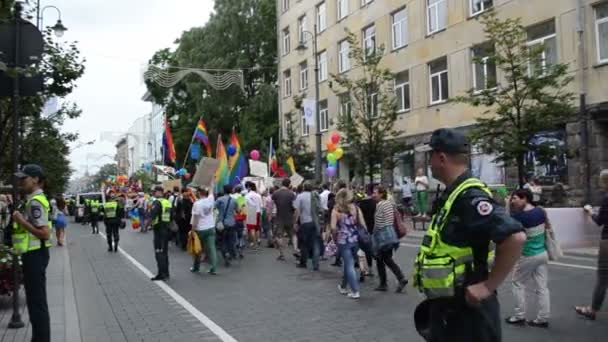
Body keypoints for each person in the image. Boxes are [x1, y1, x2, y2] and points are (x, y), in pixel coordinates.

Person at [412, 128, 526, 342]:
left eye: (431, 156)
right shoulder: (453, 193)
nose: (429, 163)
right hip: (451, 313)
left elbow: (515, 237)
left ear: (442, 157)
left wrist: (487, 286)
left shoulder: (469, 196)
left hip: (468, 317)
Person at [12, 164, 52, 342]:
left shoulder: (36, 201)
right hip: (34, 255)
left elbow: (44, 233)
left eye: (24, 178)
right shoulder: (33, 199)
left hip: (36, 256)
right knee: (35, 301)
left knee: (37, 303)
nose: (21, 181)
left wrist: (21, 221)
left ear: (35, 179)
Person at [506, 188, 551, 327]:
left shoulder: (519, 217)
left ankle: (519, 316)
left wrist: (507, 206)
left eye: (515, 198)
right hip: (543, 253)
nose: (513, 201)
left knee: (517, 283)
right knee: (542, 287)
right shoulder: (541, 211)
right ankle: (542, 318)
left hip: (528, 255)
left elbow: (506, 227)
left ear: (524, 198)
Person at [576, 169, 608, 320]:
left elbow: (599, 221)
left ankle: (592, 310)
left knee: (603, 277)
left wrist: (589, 211)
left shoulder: (607, 198)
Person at [372, 185, 408, 293]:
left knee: (381, 258)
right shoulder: (389, 203)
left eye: (375, 192)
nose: (374, 195)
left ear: (381, 194)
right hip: (390, 233)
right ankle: (399, 278)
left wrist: (374, 233)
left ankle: (387, 282)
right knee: (386, 258)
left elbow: (378, 222)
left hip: (383, 234)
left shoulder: (380, 205)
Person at [331, 188, 365, 299]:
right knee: (348, 263)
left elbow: (333, 227)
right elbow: (363, 224)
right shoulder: (356, 208)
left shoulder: (336, 210)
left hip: (343, 240)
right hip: (355, 239)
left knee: (349, 264)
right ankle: (343, 286)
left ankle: (355, 291)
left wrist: (334, 237)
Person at [294, 182, 321, 271]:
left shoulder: (300, 196)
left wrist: (295, 222)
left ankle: (303, 262)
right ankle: (316, 264)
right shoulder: (316, 196)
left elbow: (297, 210)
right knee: (315, 243)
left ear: (304, 188)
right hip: (315, 222)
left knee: (304, 243)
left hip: (305, 222)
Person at [191, 187, 218, 274]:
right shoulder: (211, 199)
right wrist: (211, 179)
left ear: (199, 193)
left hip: (200, 229)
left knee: (198, 248)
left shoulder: (197, 204)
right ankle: (214, 268)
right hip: (210, 227)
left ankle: (196, 267)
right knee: (212, 248)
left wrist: (192, 230)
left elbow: (195, 218)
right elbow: (211, 189)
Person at [147, 186, 172, 281]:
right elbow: (172, 216)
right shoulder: (168, 202)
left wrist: (147, 225)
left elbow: (152, 215)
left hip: (159, 230)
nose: (153, 193)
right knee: (164, 252)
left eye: (155, 192)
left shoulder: (157, 202)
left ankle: (161, 274)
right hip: (166, 229)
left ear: (159, 192)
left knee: (159, 252)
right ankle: (166, 272)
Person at [272, 178, 296, 261]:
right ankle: (295, 249)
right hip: (289, 216)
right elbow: (294, 206)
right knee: (293, 235)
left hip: (279, 217)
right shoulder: (292, 194)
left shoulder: (276, 193)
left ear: (282, 183)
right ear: (289, 184)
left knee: (279, 236)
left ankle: (281, 254)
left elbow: (273, 204)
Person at [216, 185, 238, 266]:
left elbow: (214, 208)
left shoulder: (219, 199)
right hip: (232, 223)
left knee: (222, 241)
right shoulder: (234, 200)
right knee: (231, 240)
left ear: (224, 190)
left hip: (221, 223)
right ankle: (230, 253)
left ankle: (225, 254)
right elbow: (238, 211)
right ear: (231, 190)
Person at [245, 182, 263, 249]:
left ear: (249, 187)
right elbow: (261, 205)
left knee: (251, 229)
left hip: (251, 211)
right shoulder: (258, 195)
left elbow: (245, 205)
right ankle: (258, 240)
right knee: (257, 228)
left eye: (247, 187)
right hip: (258, 211)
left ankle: (254, 244)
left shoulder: (247, 195)